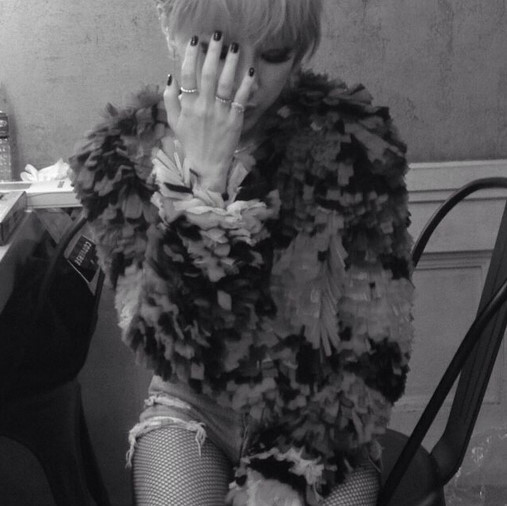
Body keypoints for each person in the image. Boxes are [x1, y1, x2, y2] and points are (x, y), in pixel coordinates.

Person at [70, 0, 414, 504]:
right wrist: (202, 187)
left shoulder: (353, 139)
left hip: (320, 417)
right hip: (193, 405)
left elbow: (380, 346)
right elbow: (168, 347)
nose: (245, 83)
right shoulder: (117, 157)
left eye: (274, 55)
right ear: (170, 27)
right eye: (221, 48)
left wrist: (295, 467)